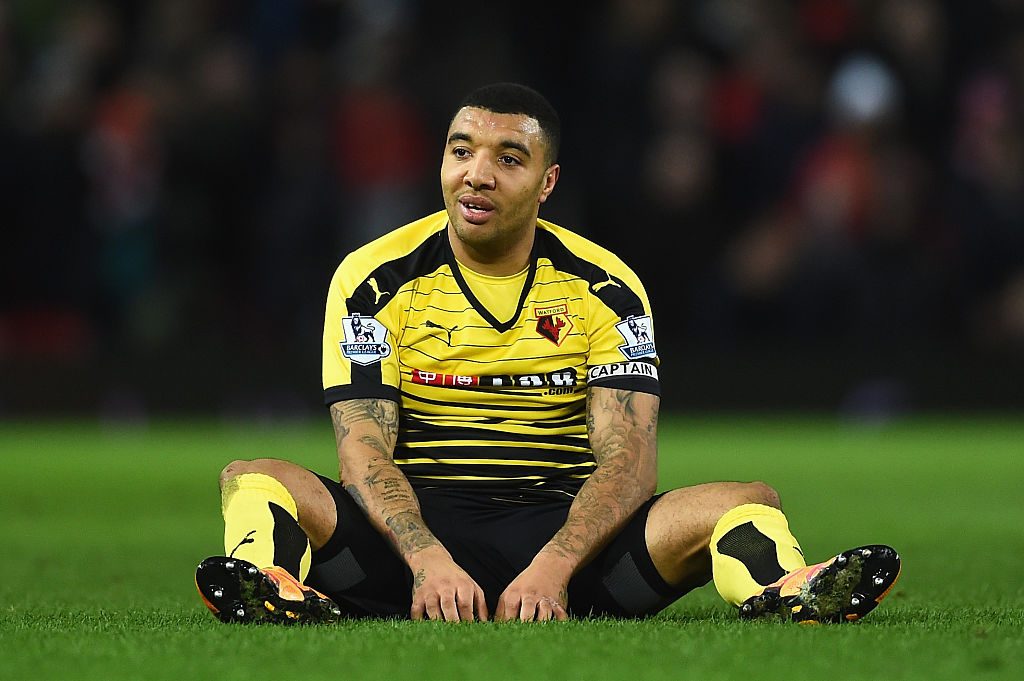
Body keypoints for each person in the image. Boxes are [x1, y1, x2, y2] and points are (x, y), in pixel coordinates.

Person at [194, 82, 900, 624]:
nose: (476, 174)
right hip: (407, 551)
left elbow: (629, 458)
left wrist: (552, 567)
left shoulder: (607, 288)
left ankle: (785, 592)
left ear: (548, 182)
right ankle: (270, 586)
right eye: (461, 149)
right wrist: (430, 561)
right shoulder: (372, 279)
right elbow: (364, 453)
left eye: (508, 158)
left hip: (572, 544)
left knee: (745, 501)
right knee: (256, 475)